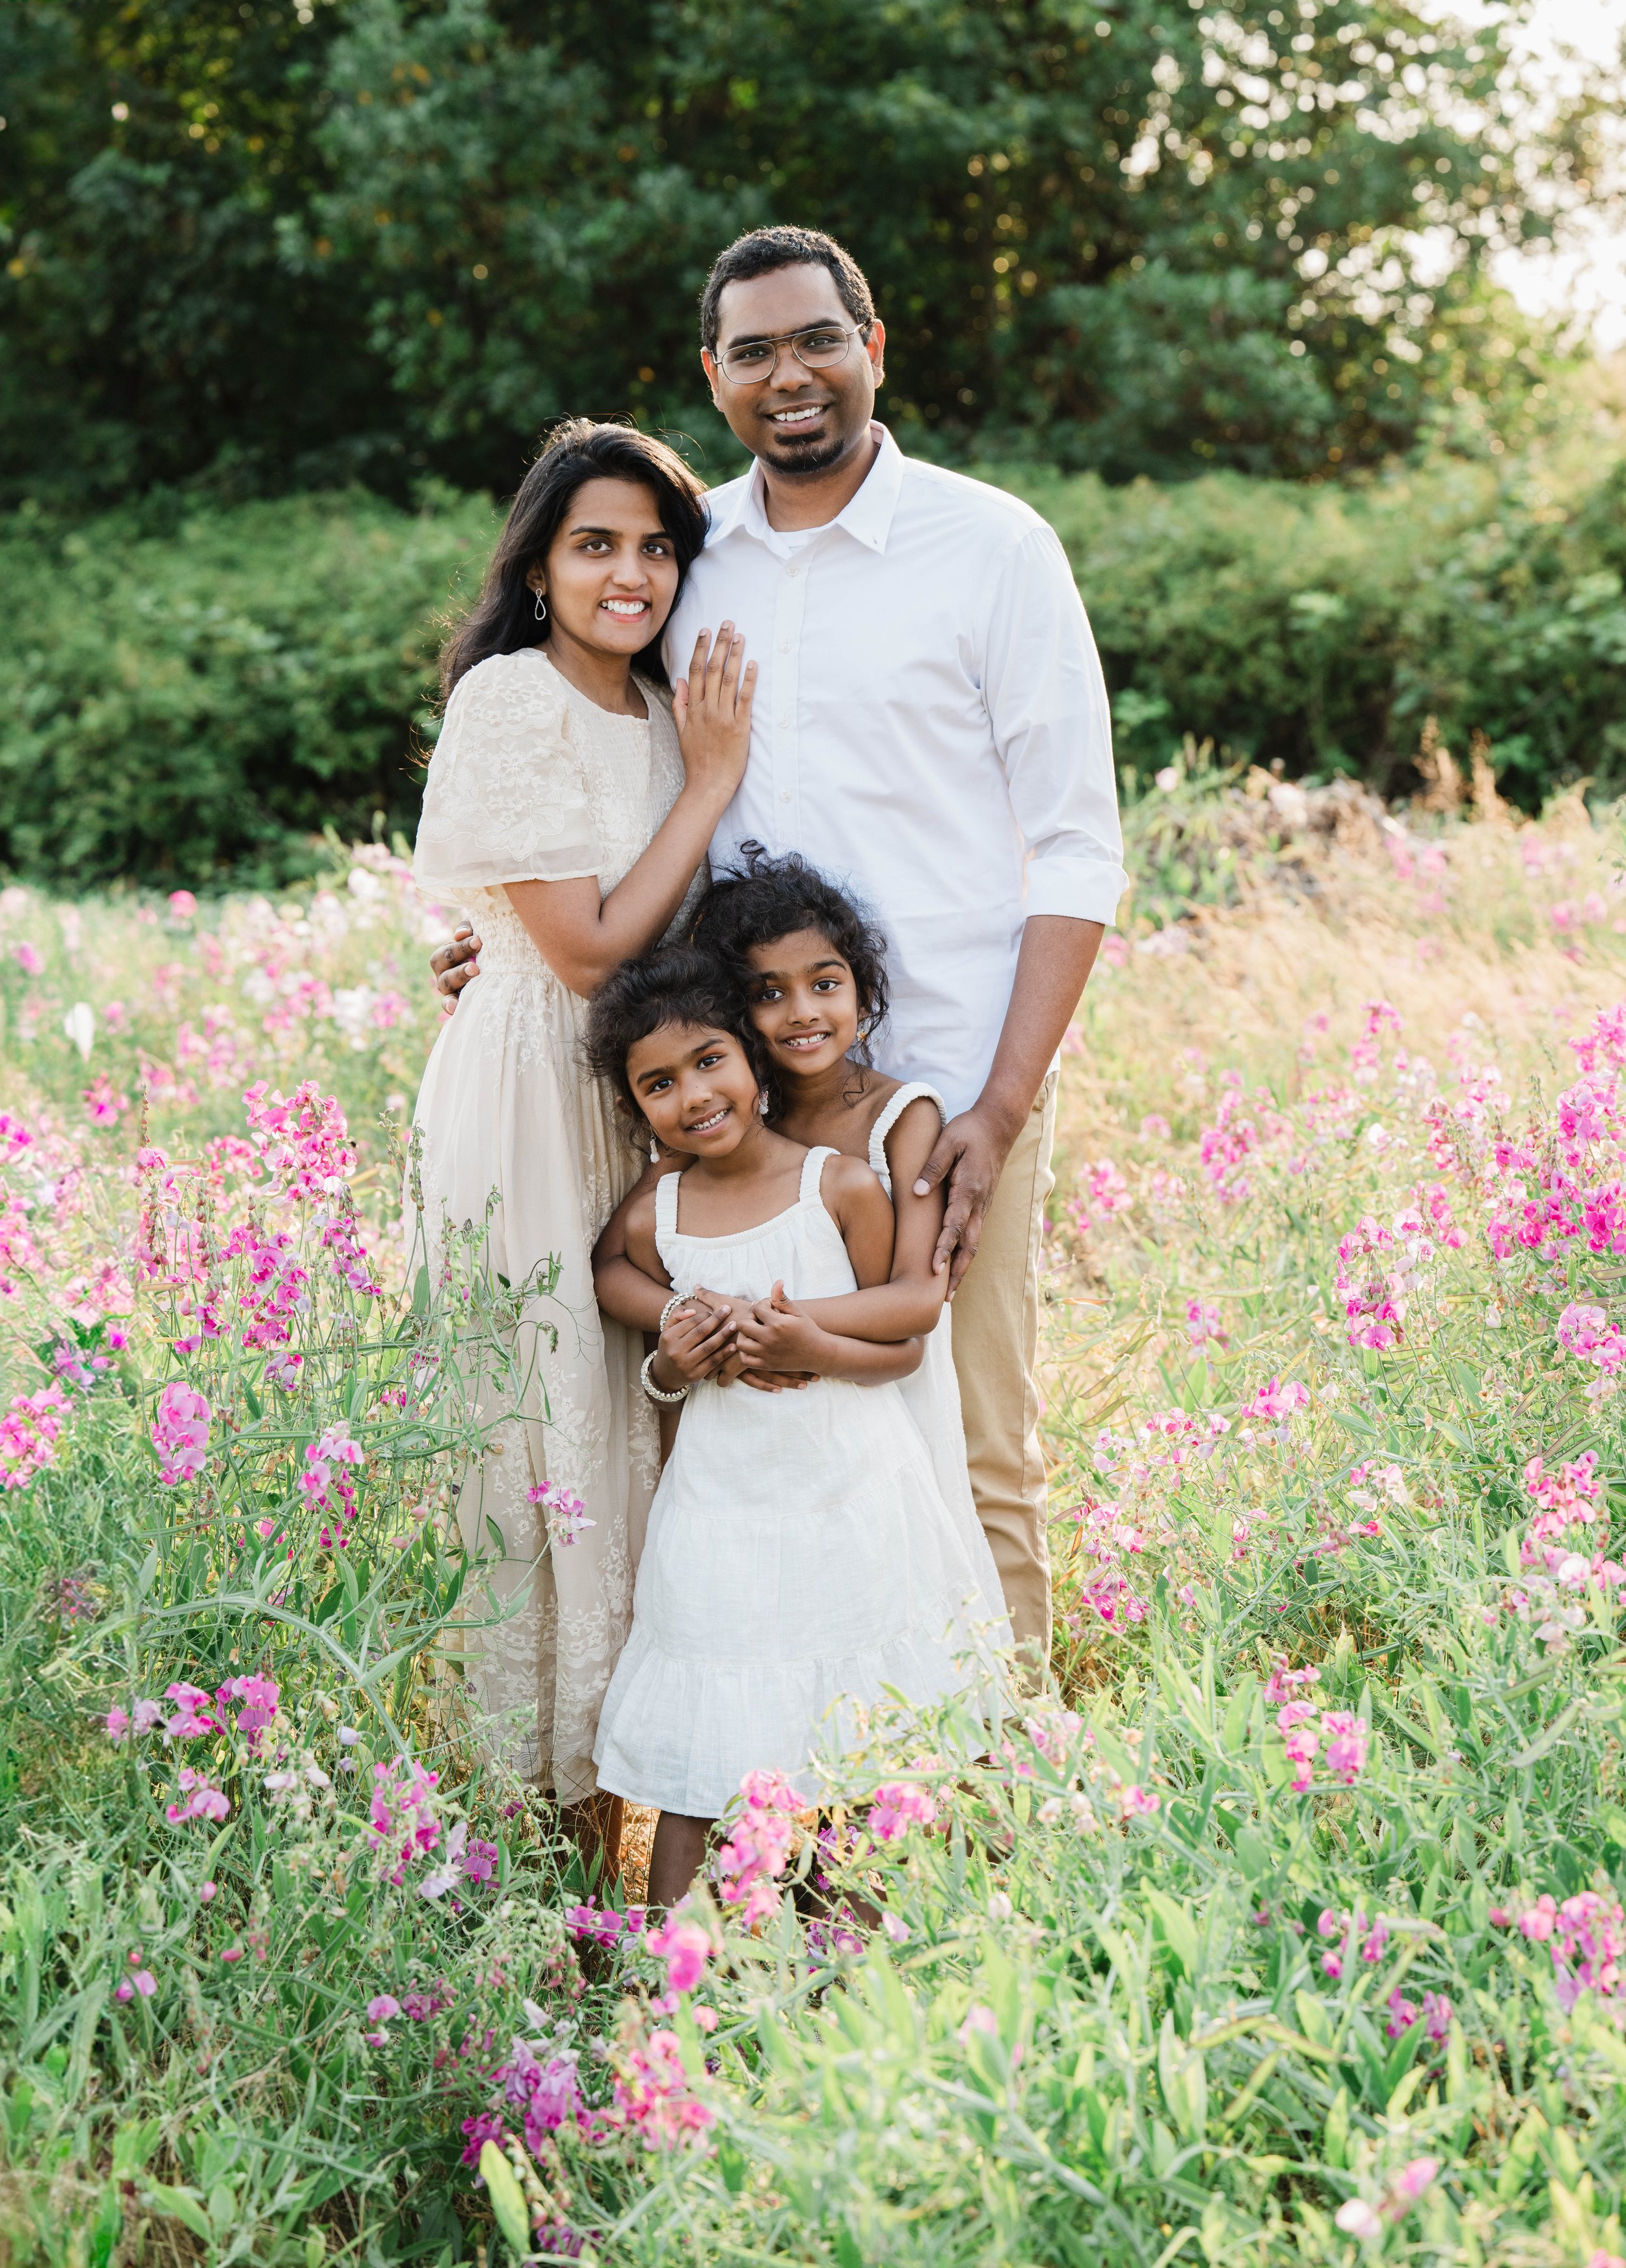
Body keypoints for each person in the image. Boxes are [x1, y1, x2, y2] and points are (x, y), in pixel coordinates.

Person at [433, 226, 1126, 1675]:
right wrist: (499, 941)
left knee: (969, 1434)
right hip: (738, 1097)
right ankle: (794, 1817)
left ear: (874, 349)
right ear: (713, 375)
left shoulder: (991, 546)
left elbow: (1076, 845)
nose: (788, 373)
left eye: (817, 338)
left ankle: (993, 1832)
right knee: (755, 1450)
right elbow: (603, 783)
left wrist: (999, 1107)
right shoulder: (690, 563)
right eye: (751, 350)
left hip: (941, 1074)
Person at [408, 419, 756, 1830]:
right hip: (525, 1098)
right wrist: (718, 782)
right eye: (595, 544)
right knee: (538, 1422)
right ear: (540, 567)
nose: (630, 573)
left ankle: (633, 1810)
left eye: (656, 546)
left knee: (641, 1424)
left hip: (638, 1100)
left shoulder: (670, 713)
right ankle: (524, 1833)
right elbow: (586, 952)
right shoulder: (509, 699)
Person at [582, 947, 1007, 1907]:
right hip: (722, 1502)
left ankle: (840, 1946)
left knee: (853, 1723)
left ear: (752, 1061)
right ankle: (676, 1969)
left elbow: (901, 1345)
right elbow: (608, 1268)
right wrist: (671, 1342)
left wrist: (803, 1341)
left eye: (709, 1062)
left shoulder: (841, 1186)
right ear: (635, 1107)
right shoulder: (660, 1209)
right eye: (657, 1084)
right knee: (703, 1718)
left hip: (848, 1490)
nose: (692, 1096)